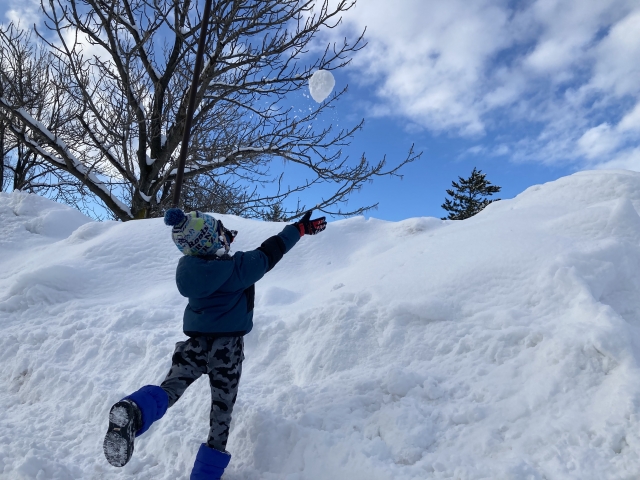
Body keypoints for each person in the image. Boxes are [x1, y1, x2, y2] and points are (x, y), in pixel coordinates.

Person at [103, 208, 326, 479]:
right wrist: (299, 229)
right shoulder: (238, 269)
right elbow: (273, 249)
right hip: (227, 350)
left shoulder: (188, 271)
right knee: (221, 412)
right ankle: (204, 475)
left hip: (194, 344)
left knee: (170, 388)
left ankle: (135, 411)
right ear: (214, 239)